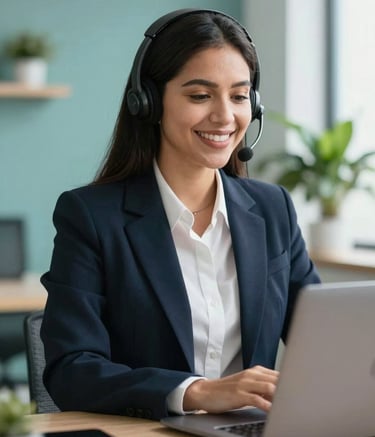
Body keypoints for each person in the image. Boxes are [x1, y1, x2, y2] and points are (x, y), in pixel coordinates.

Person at [40, 8, 320, 421]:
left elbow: (323, 340)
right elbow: (72, 370)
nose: (225, 116)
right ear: (149, 103)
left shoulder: (272, 209)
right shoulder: (91, 217)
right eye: (200, 95)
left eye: (240, 96)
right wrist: (198, 393)